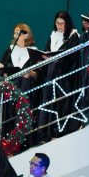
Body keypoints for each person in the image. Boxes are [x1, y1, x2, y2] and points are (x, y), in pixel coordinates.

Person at [36, 12, 82, 140]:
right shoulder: (53, 35)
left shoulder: (73, 36)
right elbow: (47, 51)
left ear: (67, 23)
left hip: (64, 78)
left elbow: (73, 58)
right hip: (50, 75)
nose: (59, 26)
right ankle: (46, 134)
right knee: (48, 103)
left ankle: (59, 132)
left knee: (61, 104)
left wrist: (59, 60)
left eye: (62, 23)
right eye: (57, 23)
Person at [0, 24, 43, 139]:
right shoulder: (9, 50)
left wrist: (30, 73)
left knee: (23, 118)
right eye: (15, 33)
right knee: (9, 118)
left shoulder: (34, 52)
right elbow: (1, 69)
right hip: (10, 90)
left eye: (18, 33)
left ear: (26, 35)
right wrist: (4, 73)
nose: (15, 36)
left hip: (27, 89)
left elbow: (40, 73)